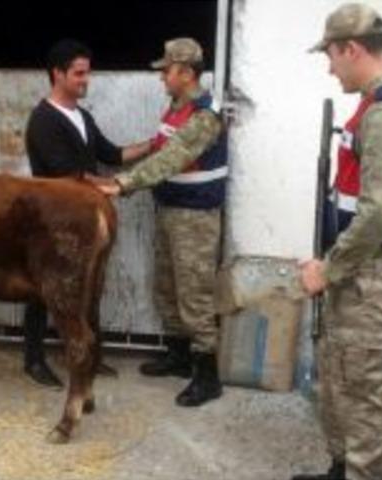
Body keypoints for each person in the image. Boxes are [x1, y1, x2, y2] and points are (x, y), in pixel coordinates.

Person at [296, 4, 382, 479]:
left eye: (331, 55)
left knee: (361, 391)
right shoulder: (381, 101)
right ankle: (342, 467)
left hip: (373, 272)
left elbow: (380, 212)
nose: (329, 67)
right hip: (361, 265)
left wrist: (327, 268)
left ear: (351, 49)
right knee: (340, 378)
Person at [91, 37, 227, 407]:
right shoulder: (177, 105)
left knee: (194, 294)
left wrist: (124, 183)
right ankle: (179, 356)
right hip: (171, 209)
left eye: (166, 70)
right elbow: (158, 147)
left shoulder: (205, 115)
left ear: (185, 72)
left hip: (195, 218)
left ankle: (207, 376)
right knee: (167, 287)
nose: (161, 77)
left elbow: (172, 159)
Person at [23, 39, 152, 387]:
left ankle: (90, 357)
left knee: (87, 286)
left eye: (87, 73)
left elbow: (110, 153)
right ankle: (33, 359)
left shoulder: (82, 116)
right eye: (79, 73)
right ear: (58, 74)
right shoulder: (43, 120)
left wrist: (155, 145)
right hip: (51, 217)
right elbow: (68, 174)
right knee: (42, 289)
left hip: (81, 220)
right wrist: (119, 185)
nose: (85, 80)